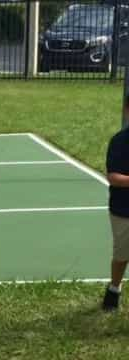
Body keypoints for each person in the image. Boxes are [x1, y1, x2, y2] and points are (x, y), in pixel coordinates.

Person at [103, 96, 129, 311]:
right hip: (124, 210)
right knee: (122, 256)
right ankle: (114, 288)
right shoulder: (120, 142)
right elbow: (114, 178)